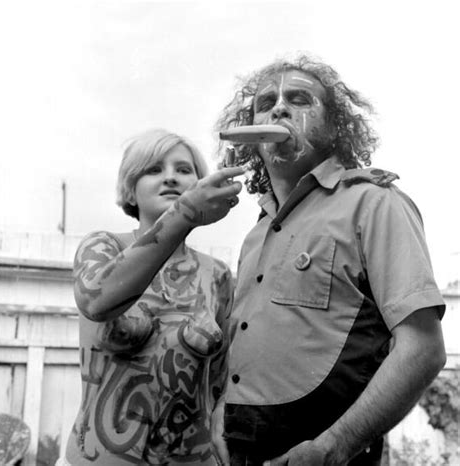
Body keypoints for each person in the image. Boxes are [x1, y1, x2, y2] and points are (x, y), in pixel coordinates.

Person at [212, 54, 446, 465]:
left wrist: (334, 446)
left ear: (335, 126)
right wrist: (219, 414)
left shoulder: (374, 203)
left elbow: (423, 348)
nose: (279, 107)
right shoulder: (255, 235)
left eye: (299, 99)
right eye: (266, 103)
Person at [62, 128, 244, 465]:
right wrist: (185, 214)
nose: (171, 177)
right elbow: (95, 300)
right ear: (130, 190)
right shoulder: (102, 246)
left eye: (184, 169)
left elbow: (219, 382)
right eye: (154, 169)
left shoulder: (217, 275)